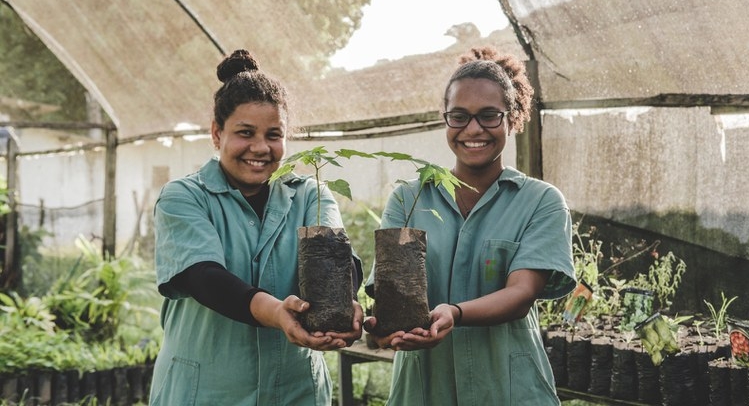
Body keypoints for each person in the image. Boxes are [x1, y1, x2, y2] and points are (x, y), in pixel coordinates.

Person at [149, 49, 363, 406]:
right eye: (245, 133)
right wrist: (277, 312)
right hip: (206, 392)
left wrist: (347, 301)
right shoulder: (184, 197)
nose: (260, 148)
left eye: (274, 135)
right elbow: (203, 276)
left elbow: (338, 261)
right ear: (217, 134)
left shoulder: (310, 194)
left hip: (295, 392)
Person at [365, 46, 576, 405]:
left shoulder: (540, 202)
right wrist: (383, 328)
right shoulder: (409, 199)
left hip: (509, 391)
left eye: (489, 116)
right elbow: (390, 298)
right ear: (445, 119)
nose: (473, 129)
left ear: (512, 118)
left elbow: (521, 293)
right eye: (459, 116)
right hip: (424, 391)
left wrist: (455, 313)